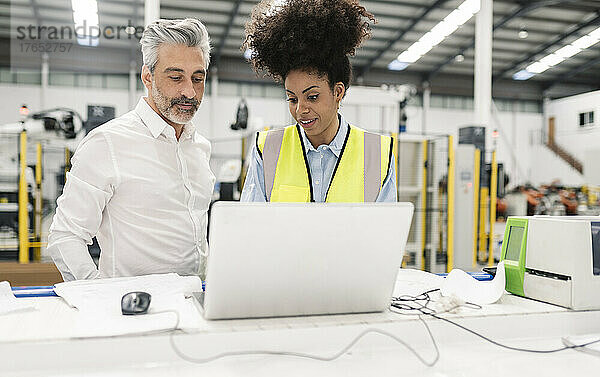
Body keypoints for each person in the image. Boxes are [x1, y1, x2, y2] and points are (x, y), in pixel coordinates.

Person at [47, 18, 215, 281]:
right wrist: (99, 295)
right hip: (133, 312)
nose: (190, 92)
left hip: (197, 304)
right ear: (148, 76)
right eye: (175, 77)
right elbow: (66, 235)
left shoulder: (200, 148)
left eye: (197, 78)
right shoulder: (107, 143)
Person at [241, 0, 396, 203]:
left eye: (312, 97)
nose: (300, 110)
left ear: (338, 92)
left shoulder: (378, 154)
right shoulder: (267, 150)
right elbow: (250, 226)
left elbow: (385, 231)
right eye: (292, 98)